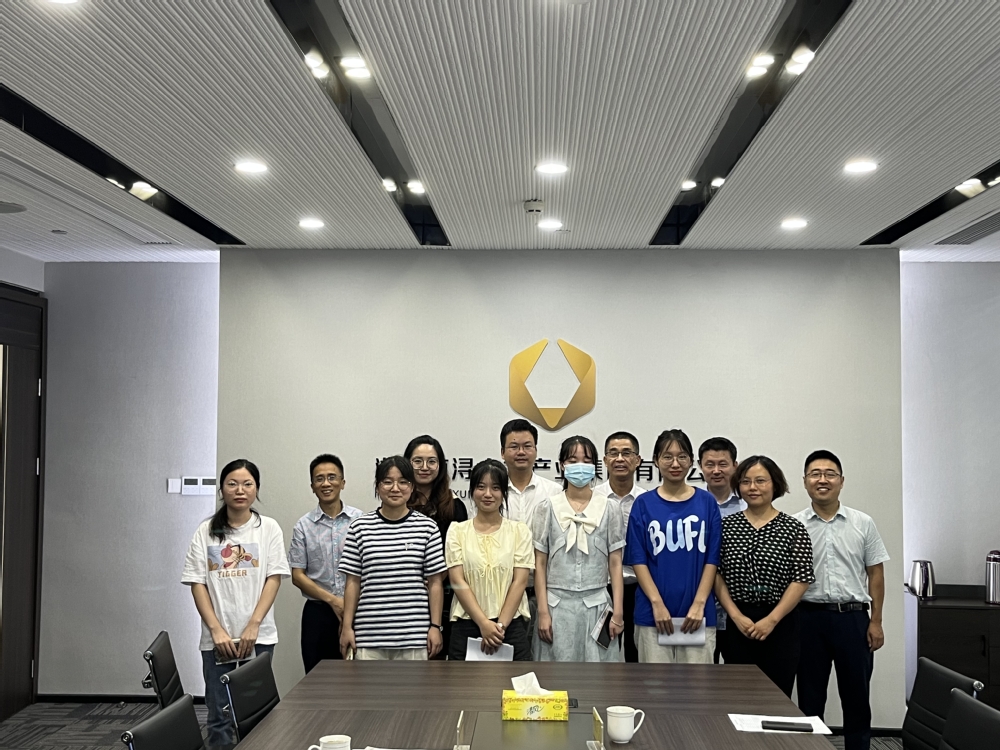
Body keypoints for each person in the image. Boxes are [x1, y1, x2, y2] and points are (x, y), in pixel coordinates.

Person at [181, 459, 290, 750]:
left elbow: (274, 578)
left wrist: (254, 624)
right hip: (218, 639)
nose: (240, 490)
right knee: (219, 715)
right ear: (221, 489)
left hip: (259, 637)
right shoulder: (205, 531)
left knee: (258, 713)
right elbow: (197, 583)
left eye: (247, 484)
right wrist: (216, 629)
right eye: (232, 483)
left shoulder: (268, 528)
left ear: (256, 489)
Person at [794, 451, 889, 750]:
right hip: (807, 619)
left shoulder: (863, 522)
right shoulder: (794, 525)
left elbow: (875, 574)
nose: (822, 479)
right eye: (815, 474)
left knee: (857, 697)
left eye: (830, 474)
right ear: (805, 481)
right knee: (809, 698)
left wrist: (876, 621)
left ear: (841, 481)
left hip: (853, 619)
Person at [715, 455, 814, 697]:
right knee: (738, 696)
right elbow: (715, 574)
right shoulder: (726, 527)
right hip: (738, 623)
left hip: (781, 623)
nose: (753, 487)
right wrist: (736, 616)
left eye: (760, 480)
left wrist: (771, 620)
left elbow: (801, 578)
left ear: (775, 484)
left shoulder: (793, 528)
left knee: (777, 698)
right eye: (746, 481)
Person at [627, 429, 722, 663]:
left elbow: (712, 559)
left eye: (682, 456)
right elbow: (638, 560)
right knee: (655, 684)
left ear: (691, 461)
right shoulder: (643, 504)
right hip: (653, 616)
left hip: (697, 615)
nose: (675, 463)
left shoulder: (707, 502)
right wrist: (657, 605)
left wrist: (699, 604)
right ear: (656, 460)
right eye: (667, 456)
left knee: (697, 684)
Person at [339, 456, 447, 660]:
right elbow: (353, 582)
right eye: (387, 482)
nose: (395, 488)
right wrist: (347, 627)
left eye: (403, 482)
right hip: (368, 637)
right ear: (377, 486)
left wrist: (435, 626)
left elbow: (435, 582)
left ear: (412, 487)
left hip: (414, 636)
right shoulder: (359, 528)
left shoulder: (427, 528)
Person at [532, 435, 625, 662]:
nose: (580, 466)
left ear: (595, 466)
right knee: (556, 675)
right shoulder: (547, 508)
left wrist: (618, 612)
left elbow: (615, 563)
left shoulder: (610, 508)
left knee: (600, 675)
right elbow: (540, 564)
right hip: (556, 606)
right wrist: (543, 612)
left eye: (587, 460)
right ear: (562, 465)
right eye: (573, 461)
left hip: (597, 605)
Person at [446, 459, 533, 660]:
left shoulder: (519, 531)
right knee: (463, 682)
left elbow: (520, 581)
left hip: (510, 626)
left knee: (516, 681)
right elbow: (457, 580)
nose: (487, 494)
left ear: (504, 493)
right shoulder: (457, 531)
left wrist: (499, 626)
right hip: (466, 625)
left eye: (495, 488)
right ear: (472, 491)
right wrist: (484, 623)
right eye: (480, 487)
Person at [288, 454, 363, 673]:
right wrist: (333, 600)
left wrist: (347, 603)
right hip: (318, 614)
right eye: (319, 479)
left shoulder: (361, 520)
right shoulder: (303, 526)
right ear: (312, 486)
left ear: (342, 482)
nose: (326, 483)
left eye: (332, 477)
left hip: (358, 610)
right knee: (317, 679)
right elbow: (297, 575)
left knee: (359, 677)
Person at [404, 435, 468, 659]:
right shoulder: (398, 504)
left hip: (444, 600)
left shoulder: (455, 506)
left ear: (440, 466)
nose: (424, 467)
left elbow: (458, 554)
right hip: (405, 598)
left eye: (431, 461)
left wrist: (435, 579)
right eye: (417, 461)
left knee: (437, 669)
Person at [499, 418, 562, 647]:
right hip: (501, 593)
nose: (521, 452)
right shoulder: (492, 492)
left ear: (536, 450)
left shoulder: (554, 492)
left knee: (542, 657)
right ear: (502, 452)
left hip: (544, 595)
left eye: (527, 446)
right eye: (514, 446)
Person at [595, 431, 644, 662]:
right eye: (613, 453)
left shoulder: (647, 500)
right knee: (603, 651)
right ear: (605, 460)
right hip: (601, 589)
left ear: (638, 460)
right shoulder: (593, 499)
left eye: (627, 453)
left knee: (637, 654)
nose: (620, 459)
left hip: (639, 589)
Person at [697, 436, 746, 662]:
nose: (716, 470)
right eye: (710, 464)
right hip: (699, 608)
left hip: (739, 611)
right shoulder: (692, 503)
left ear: (735, 466)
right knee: (698, 676)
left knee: (739, 675)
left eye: (723, 464)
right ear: (700, 466)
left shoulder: (749, 504)